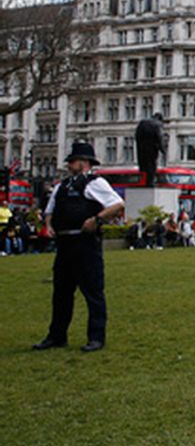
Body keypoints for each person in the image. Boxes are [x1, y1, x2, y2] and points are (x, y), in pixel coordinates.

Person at [34, 142, 124, 353]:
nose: (69, 165)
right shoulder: (62, 186)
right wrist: (48, 225)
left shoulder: (95, 183)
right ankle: (57, 335)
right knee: (61, 293)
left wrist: (97, 219)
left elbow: (117, 204)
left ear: (83, 163)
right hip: (65, 243)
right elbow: (50, 209)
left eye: (72, 161)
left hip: (85, 243)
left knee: (93, 292)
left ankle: (96, 337)